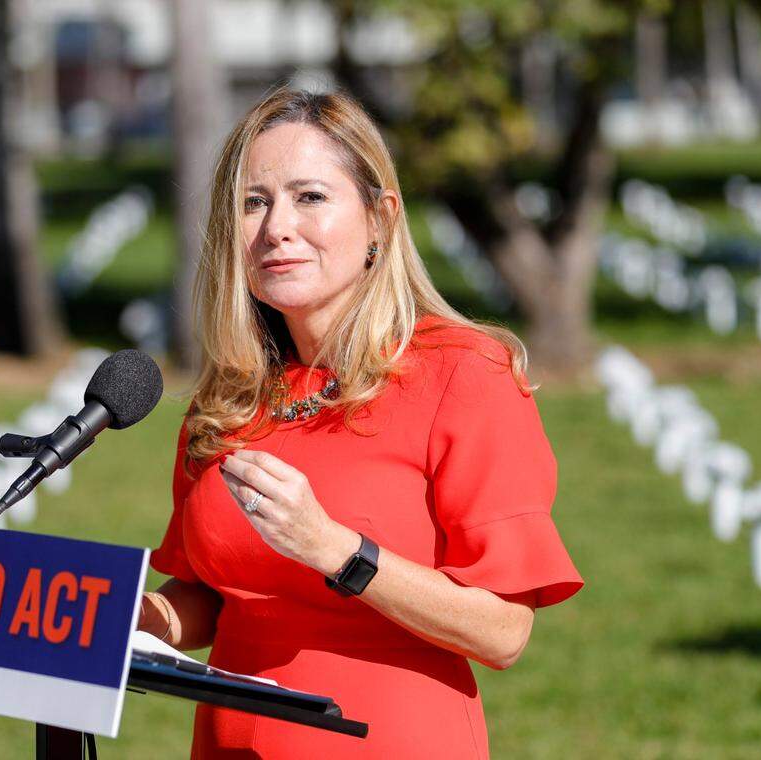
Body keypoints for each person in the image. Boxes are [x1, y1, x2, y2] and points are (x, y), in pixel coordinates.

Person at [138, 87, 583, 759]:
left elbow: (503, 632)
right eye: (254, 202)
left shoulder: (465, 375)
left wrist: (337, 551)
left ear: (379, 219)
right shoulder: (228, 397)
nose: (276, 227)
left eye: (310, 197)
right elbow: (210, 594)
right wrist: (121, 620)